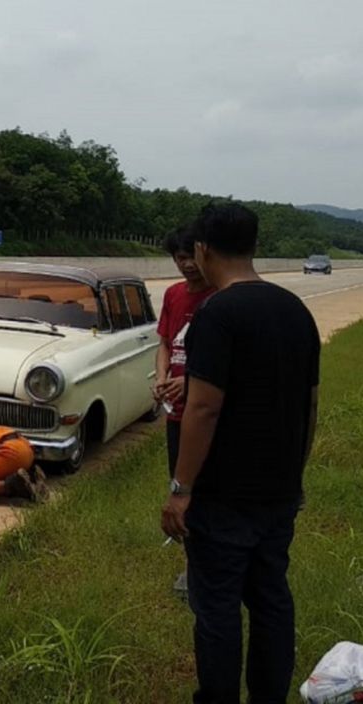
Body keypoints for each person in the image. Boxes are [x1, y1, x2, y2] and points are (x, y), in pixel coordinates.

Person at [161, 202, 321, 704]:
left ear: (204, 250)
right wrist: (295, 472)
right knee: (272, 600)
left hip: (223, 495)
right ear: (254, 247)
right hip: (278, 491)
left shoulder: (218, 313)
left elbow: (203, 408)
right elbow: (309, 406)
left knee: (217, 607)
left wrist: (180, 490)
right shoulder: (295, 310)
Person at [154, 225, 215, 597]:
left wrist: (190, 383)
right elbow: (163, 343)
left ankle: (205, 570)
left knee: (205, 490)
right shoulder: (174, 295)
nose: (187, 265)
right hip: (175, 414)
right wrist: (161, 377)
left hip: (204, 412)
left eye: (192, 257)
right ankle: (192, 568)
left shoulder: (218, 298)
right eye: (180, 258)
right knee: (179, 489)